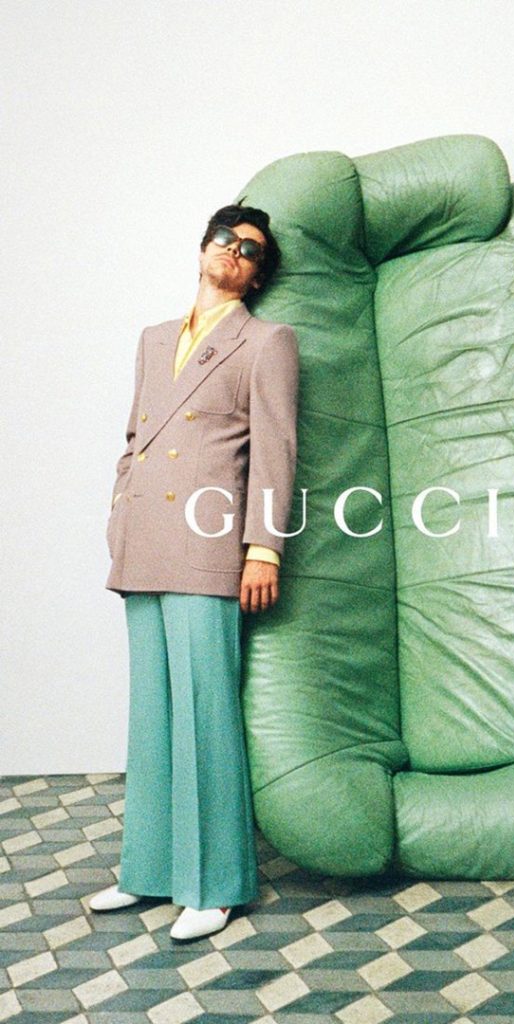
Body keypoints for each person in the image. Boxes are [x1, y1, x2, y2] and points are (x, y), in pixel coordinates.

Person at [89, 202, 299, 942]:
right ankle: (148, 870)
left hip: (209, 544)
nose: (234, 251)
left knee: (206, 714)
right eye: (226, 238)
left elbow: (276, 450)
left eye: (251, 249)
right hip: (143, 539)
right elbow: (135, 438)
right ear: (204, 245)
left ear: (258, 274)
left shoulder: (266, 342)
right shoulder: (153, 339)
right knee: (152, 714)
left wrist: (263, 548)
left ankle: (216, 883)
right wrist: (119, 510)